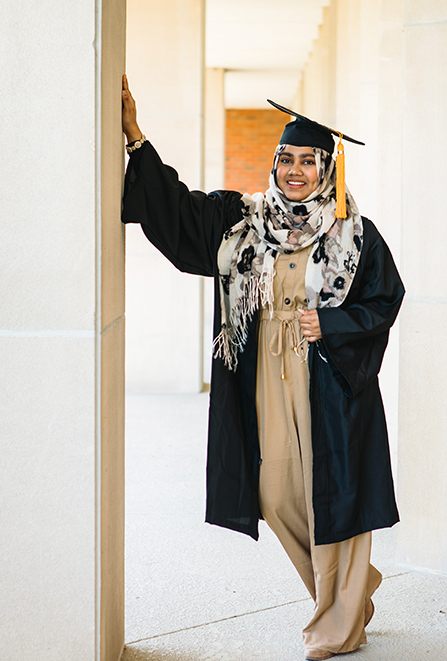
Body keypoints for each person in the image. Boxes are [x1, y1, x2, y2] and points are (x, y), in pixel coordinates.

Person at [121, 74, 404, 661]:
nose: (295, 170)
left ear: (328, 168)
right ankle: (354, 590)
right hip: (265, 379)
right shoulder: (241, 222)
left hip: (329, 378)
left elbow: (385, 298)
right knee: (276, 495)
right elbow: (177, 217)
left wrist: (331, 325)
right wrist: (136, 140)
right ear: (273, 163)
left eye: (308, 160)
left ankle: (337, 623)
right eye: (286, 159)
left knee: (334, 494)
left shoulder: (356, 234)